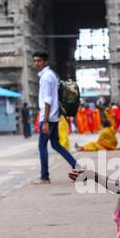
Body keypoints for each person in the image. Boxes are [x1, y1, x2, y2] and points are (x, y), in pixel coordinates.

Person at [32, 50, 77, 184]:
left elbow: (48, 100)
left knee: (42, 146)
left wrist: (45, 121)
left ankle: (44, 176)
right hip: (54, 116)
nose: (36, 63)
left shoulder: (46, 77)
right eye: (34, 61)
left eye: (39, 61)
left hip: (48, 118)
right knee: (56, 145)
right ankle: (77, 167)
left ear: (45, 62)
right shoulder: (52, 75)